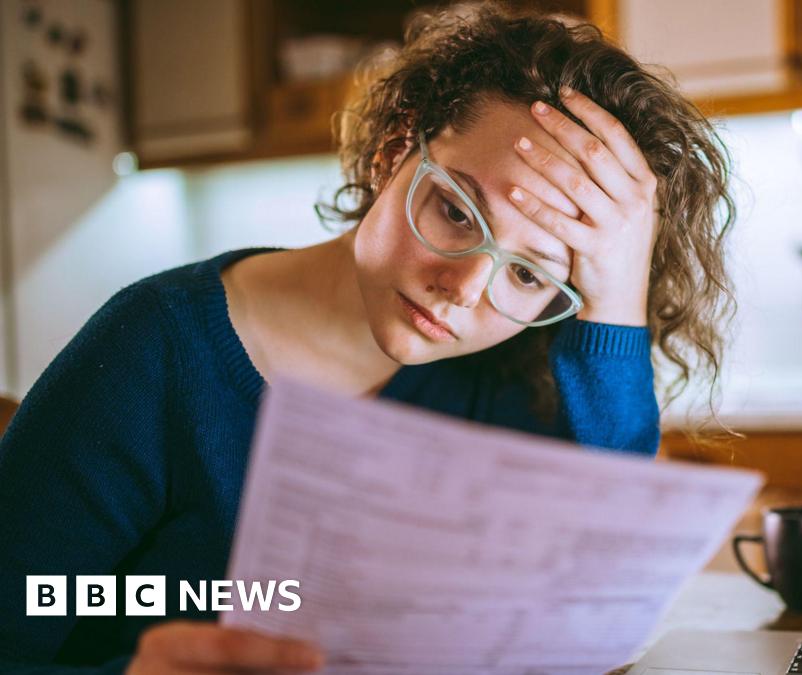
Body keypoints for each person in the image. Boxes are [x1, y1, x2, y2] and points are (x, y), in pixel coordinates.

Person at [0, 3, 736, 673]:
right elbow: (34, 602)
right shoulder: (153, 349)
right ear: (392, 150)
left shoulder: (508, 378)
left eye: (528, 276)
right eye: (453, 210)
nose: (464, 289)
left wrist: (613, 306)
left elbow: (599, 592)